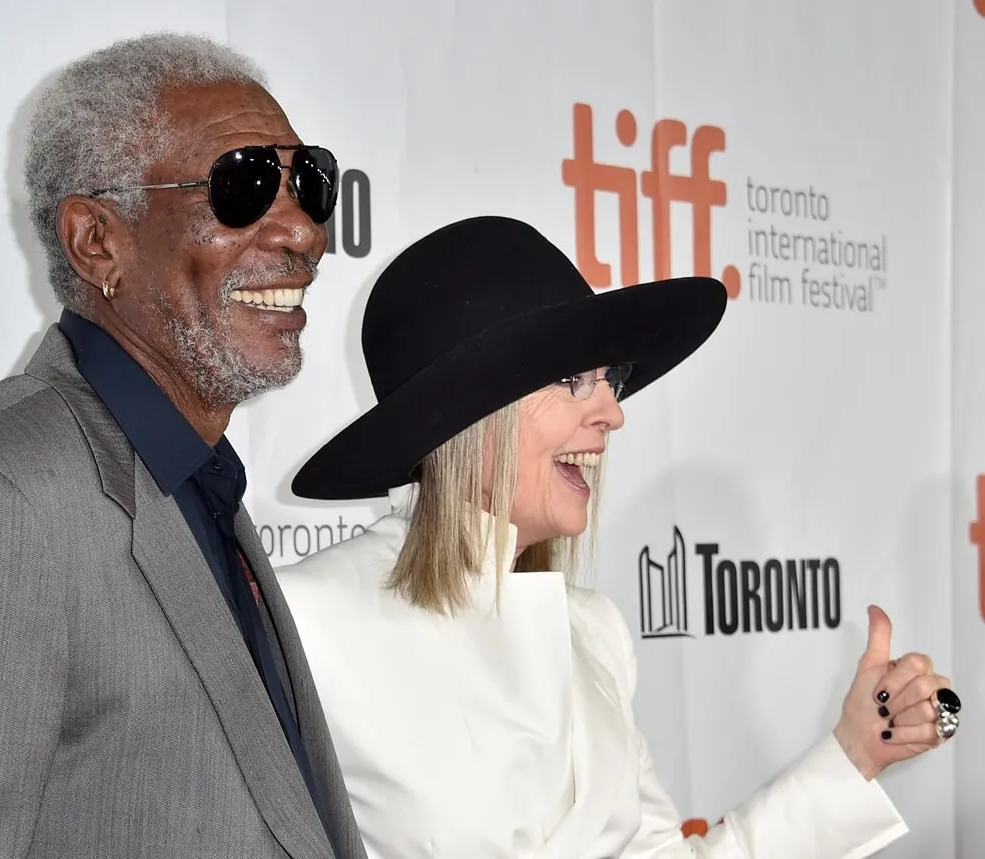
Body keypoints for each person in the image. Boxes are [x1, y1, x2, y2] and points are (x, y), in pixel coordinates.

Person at [0, 33, 367, 859]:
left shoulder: (196, 485)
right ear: (97, 241)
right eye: (242, 186)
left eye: (309, 183)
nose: (304, 232)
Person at [275, 215, 960, 859]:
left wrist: (855, 752)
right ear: (467, 413)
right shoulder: (308, 622)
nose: (611, 412)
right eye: (575, 380)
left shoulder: (594, 634)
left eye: (611, 380)